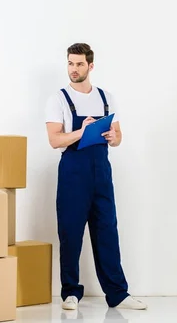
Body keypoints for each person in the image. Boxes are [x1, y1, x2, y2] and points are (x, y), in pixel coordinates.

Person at [44, 43, 147, 311]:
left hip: (101, 173)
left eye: (79, 64)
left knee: (107, 232)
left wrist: (114, 137)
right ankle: (70, 292)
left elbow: (118, 137)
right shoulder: (58, 99)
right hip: (73, 173)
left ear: (90, 66)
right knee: (71, 232)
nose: (73, 69)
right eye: (70, 63)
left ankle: (118, 293)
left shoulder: (106, 97)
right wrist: (82, 131)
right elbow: (55, 140)